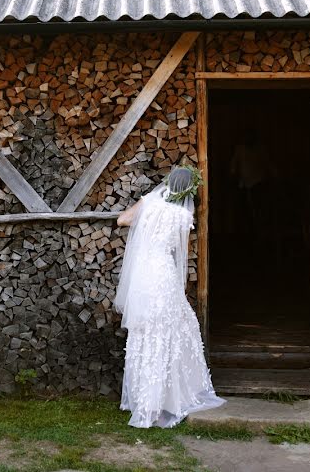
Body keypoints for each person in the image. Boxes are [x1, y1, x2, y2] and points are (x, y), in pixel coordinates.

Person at [115, 166, 224, 428]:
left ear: (167, 184)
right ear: (188, 190)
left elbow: (122, 220)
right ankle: (169, 397)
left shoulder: (149, 202)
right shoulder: (183, 214)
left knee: (145, 332)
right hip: (162, 272)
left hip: (142, 274)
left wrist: (144, 214)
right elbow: (180, 254)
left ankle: (144, 401)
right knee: (173, 329)